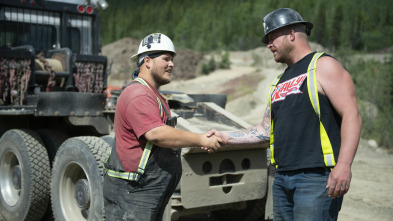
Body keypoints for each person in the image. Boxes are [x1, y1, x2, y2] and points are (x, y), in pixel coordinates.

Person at [205, 8, 362, 221]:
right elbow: (265, 130)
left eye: (272, 37)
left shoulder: (323, 66)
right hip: (282, 179)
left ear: (291, 34)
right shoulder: (278, 81)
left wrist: (343, 166)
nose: (268, 44)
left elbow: (352, 116)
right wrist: (226, 137)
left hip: (316, 178)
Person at [103, 33, 222, 221]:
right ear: (147, 61)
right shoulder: (138, 94)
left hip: (143, 190)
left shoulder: (152, 94)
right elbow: (156, 134)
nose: (172, 64)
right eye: (166, 59)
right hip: (133, 192)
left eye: (172, 59)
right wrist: (200, 139)